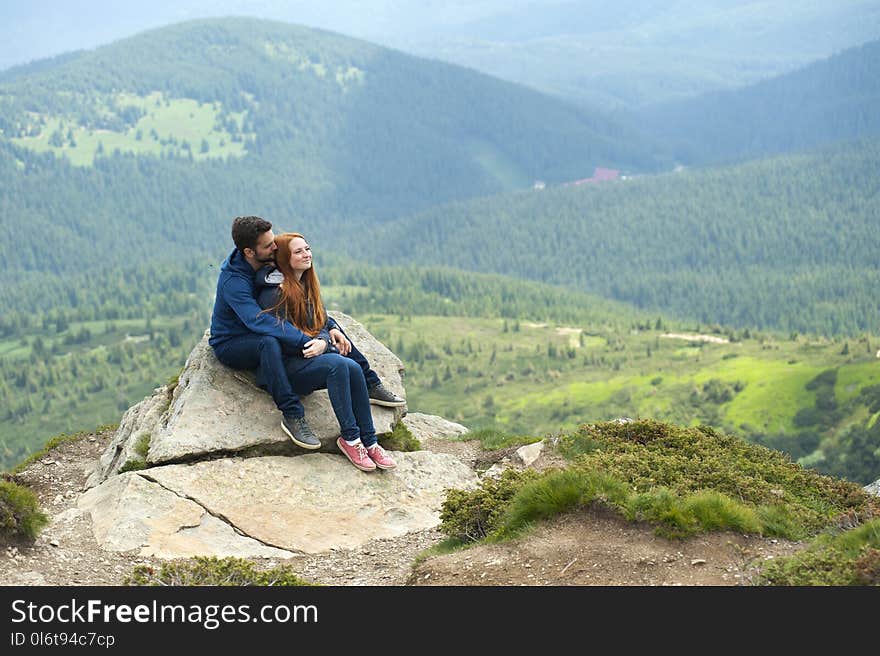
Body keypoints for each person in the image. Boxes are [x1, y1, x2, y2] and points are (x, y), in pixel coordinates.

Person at [256, 232, 402, 472]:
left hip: (305, 360)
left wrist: (329, 334)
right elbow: (281, 337)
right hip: (285, 368)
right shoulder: (274, 292)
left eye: (307, 248)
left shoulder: (303, 284)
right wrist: (326, 344)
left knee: (352, 367)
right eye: (298, 251)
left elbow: (319, 321)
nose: (307, 254)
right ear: (284, 257)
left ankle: (370, 440)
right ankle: (350, 438)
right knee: (337, 364)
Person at [209, 216, 324, 451]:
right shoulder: (233, 281)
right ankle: (292, 414)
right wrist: (305, 340)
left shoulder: (266, 262)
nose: (275, 247)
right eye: (268, 245)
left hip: (259, 333)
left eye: (273, 241)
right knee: (268, 342)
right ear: (249, 252)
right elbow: (258, 321)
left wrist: (328, 330)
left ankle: (369, 381)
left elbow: (301, 297)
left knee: (280, 341)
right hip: (232, 342)